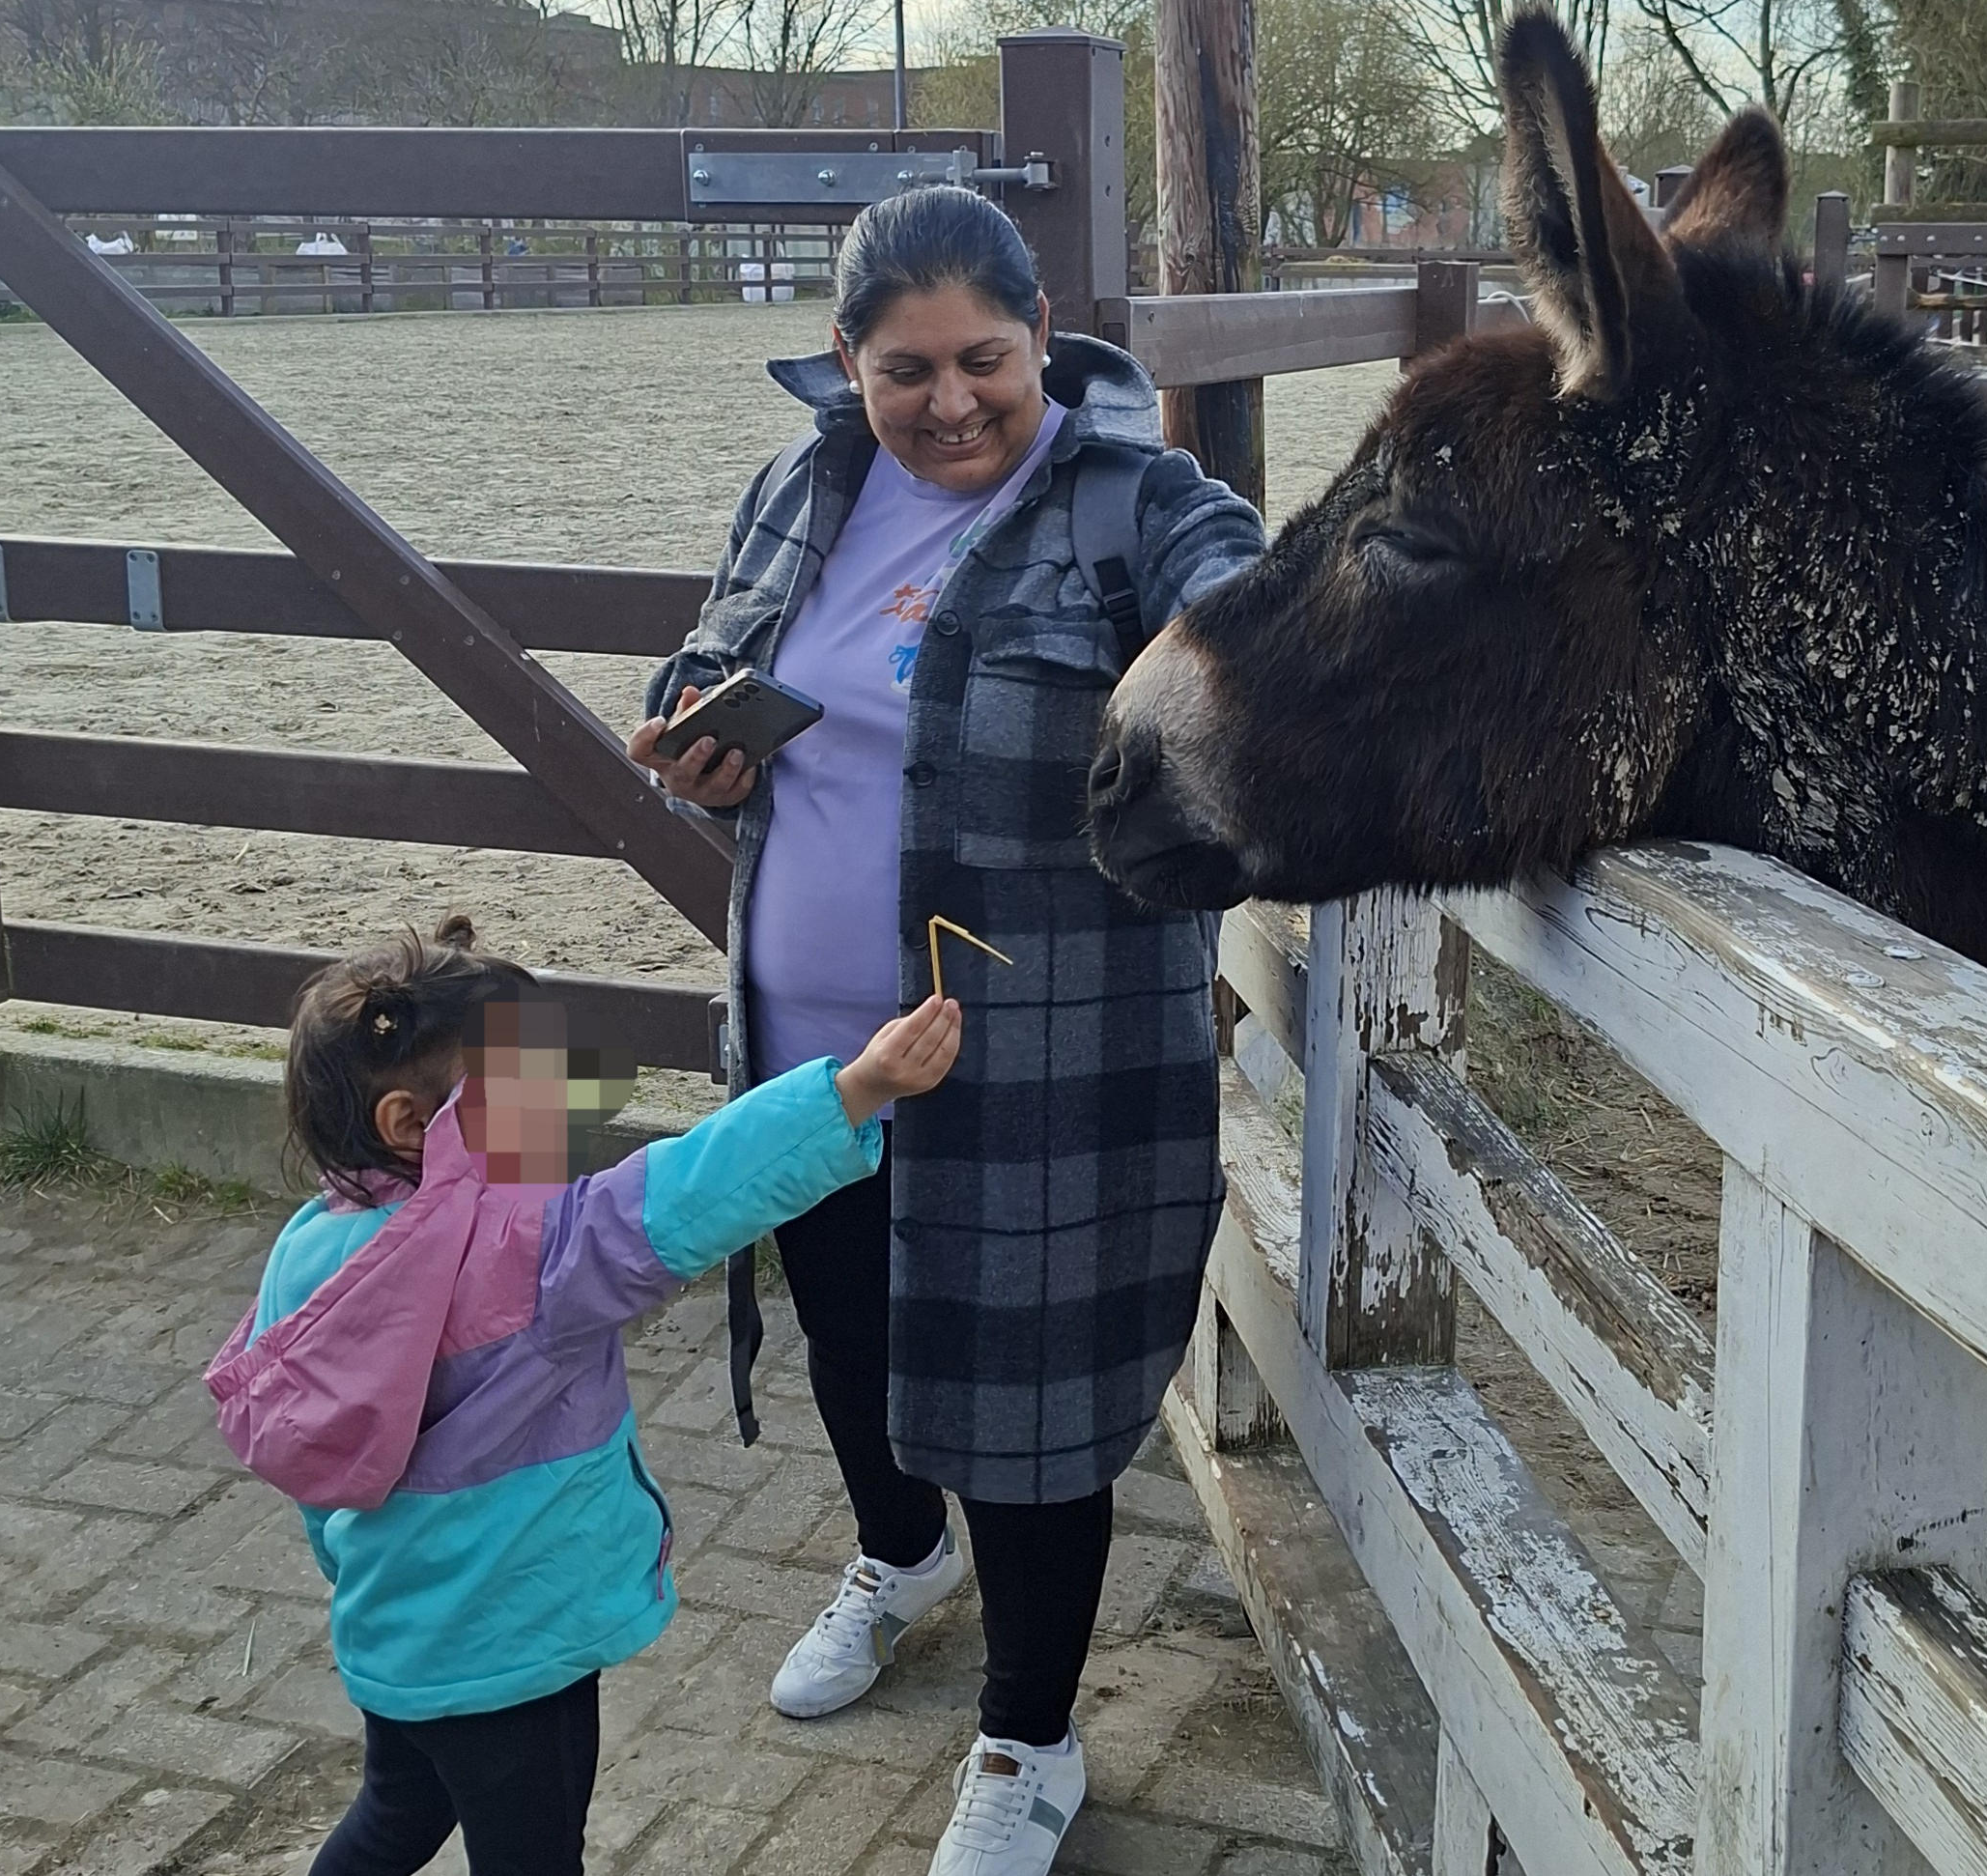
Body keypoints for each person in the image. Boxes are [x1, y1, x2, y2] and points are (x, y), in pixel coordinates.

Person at [628, 185, 1264, 1876]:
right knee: (851, 1347)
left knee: (1031, 1405)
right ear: (849, 364)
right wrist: (701, 735)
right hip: (811, 1050)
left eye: (985, 357)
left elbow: (1260, 617)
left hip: (1037, 1063)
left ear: (1044, 336)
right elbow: (719, 646)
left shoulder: (1134, 503)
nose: (950, 399)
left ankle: (1030, 1738)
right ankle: (898, 1559)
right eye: (905, 369)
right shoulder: (802, 483)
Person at [207, 914, 962, 1876]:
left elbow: (321, 1471)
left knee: (395, 1813)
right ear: (408, 1124)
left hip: (395, 1638)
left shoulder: (308, 1251)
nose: (552, 1097)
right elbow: (693, 1188)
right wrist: (856, 1091)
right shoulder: (532, 1255)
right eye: (516, 1084)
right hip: (516, 1654)